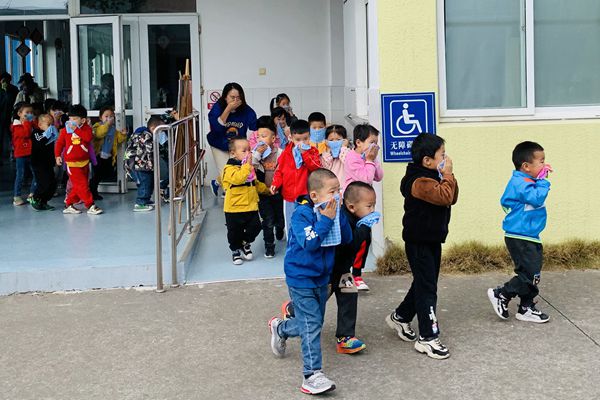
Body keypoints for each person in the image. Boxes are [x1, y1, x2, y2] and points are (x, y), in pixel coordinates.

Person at [268, 168, 352, 395]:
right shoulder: (301, 215)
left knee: (312, 323)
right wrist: (326, 220)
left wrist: (339, 215)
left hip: (322, 278)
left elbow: (346, 238)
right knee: (312, 323)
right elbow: (310, 242)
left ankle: (281, 328)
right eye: (332, 192)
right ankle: (312, 375)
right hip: (300, 277)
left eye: (338, 191)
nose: (337, 195)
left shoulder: (332, 211)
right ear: (314, 195)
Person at [281, 181, 380, 354]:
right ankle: (292, 309)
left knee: (349, 297)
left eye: (374, 206)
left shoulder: (357, 219)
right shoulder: (342, 218)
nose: (372, 210)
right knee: (318, 302)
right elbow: (351, 244)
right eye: (369, 206)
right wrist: (365, 227)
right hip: (328, 271)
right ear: (351, 207)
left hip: (343, 270)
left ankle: (345, 337)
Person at [386, 133, 458, 360]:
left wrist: (447, 174)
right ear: (427, 160)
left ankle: (400, 316)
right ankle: (428, 337)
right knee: (427, 288)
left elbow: (452, 196)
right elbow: (445, 196)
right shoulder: (419, 181)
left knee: (424, 282)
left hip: (431, 239)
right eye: (442, 155)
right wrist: (448, 174)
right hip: (419, 241)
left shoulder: (434, 175)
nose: (446, 159)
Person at [487, 141, 552, 324]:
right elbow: (537, 198)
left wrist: (538, 181)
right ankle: (502, 294)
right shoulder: (520, 182)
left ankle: (526, 307)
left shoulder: (528, 182)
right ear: (526, 166)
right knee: (529, 274)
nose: (544, 165)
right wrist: (543, 181)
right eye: (541, 161)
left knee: (532, 273)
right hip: (520, 236)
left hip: (529, 235)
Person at [222, 137, 270, 265]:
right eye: (244, 151)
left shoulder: (247, 168)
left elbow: (255, 183)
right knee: (234, 231)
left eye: (249, 150)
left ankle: (244, 243)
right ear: (233, 153)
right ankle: (235, 250)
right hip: (234, 208)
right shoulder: (229, 168)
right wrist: (247, 166)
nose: (248, 153)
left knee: (256, 226)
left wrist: (267, 190)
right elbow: (238, 179)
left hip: (251, 205)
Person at [207, 82, 257, 197]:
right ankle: (230, 197)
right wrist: (228, 109)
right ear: (225, 97)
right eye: (232, 97)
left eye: (238, 97)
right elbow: (216, 128)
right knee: (227, 172)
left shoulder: (246, 110)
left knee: (237, 170)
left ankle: (216, 183)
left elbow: (254, 127)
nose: (235, 100)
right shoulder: (218, 108)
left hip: (237, 145)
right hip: (219, 143)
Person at [270, 119, 321, 230]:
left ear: (310, 137)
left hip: (306, 196)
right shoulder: (286, 153)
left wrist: (305, 154)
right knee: (290, 224)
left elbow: (316, 168)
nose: (302, 143)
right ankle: (290, 241)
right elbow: (279, 171)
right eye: (298, 140)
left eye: (305, 139)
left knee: (307, 224)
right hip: (289, 196)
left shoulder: (313, 152)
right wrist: (275, 183)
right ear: (291, 138)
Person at [54, 104, 103, 215]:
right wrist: (57, 155)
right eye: (70, 118)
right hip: (72, 163)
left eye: (75, 119)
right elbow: (59, 143)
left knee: (79, 185)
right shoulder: (65, 131)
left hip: (84, 162)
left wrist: (76, 130)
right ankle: (90, 205)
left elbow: (88, 138)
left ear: (83, 120)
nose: (71, 121)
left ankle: (69, 204)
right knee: (82, 185)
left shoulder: (87, 129)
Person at [251, 116, 284, 258]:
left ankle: (280, 228)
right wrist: (257, 154)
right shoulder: (255, 154)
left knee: (280, 218)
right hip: (263, 194)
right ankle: (269, 246)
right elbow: (250, 169)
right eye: (258, 136)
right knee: (268, 221)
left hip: (278, 193)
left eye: (264, 136)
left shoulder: (280, 153)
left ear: (273, 138)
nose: (261, 140)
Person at [125, 116, 163, 212]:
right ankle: (140, 203)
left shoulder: (144, 134)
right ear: (153, 128)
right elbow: (148, 151)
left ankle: (146, 200)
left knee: (149, 182)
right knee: (144, 183)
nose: (161, 133)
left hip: (142, 165)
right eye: (160, 130)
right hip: (138, 165)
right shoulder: (146, 136)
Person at [90, 106, 127, 200]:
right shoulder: (97, 126)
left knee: (106, 173)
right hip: (98, 155)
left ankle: (92, 187)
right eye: (106, 116)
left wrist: (123, 134)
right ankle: (92, 191)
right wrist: (107, 124)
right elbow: (99, 134)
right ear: (100, 118)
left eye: (111, 116)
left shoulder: (113, 129)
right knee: (97, 174)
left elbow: (118, 139)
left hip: (108, 155)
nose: (109, 118)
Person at [30, 114, 58, 211]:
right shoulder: (36, 132)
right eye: (48, 124)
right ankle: (35, 197)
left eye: (52, 124)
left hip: (48, 163)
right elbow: (39, 142)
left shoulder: (51, 135)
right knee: (43, 182)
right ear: (40, 124)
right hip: (38, 163)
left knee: (52, 183)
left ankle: (44, 201)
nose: (51, 127)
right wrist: (47, 134)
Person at [343, 123, 383, 192]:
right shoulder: (351, 158)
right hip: (353, 195)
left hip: (364, 194)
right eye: (372, 142)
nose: (375, 146)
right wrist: (370, 160)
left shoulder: (368, 156)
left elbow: (379, 177)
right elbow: (366, 181)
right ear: (358, 143)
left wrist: (374, 159)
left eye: (376, 143)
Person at [11, 102, 36, 206]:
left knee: (36, 173)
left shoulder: (29, 123)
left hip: (31, 152)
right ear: (19, 113)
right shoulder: (15, 126)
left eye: (31, 112)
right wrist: (27, 122)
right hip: (20, 154)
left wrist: (33, 121)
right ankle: (17, 196)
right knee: (20, 175)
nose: (30, 114)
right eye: (27, 112)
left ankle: (32, 194)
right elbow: (26, 134)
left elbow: (37, 128)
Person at [0, 72, 19, 161]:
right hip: (1, 116)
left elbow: (15, 102)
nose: (5, 82)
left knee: (12, 135)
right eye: (3, 80)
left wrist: (6, 92)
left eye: (7, 80)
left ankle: (14, 153)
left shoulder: (14, 89)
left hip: (10, 116)